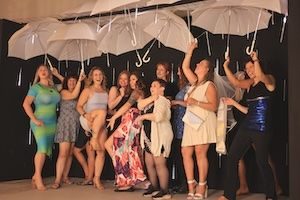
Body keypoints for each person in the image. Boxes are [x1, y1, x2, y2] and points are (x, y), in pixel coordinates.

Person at [218, 51, 277, 200]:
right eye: (247, 69)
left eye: (251, 68)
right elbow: (236, 84)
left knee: (261, 161)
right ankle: (228, 195)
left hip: (262, 128)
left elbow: (262, 76)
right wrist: (225, 66)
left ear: (258, 66)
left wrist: (255, 59)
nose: (249, 71)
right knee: (232, 157)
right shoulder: (250, 84)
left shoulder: (269, 80)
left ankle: (271, 196)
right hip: (247, 126)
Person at [181, 41, 218, 200]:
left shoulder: (209, 85)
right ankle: (191, 184)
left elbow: (214, 106)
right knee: (185, 151)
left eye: (201, 64)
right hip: (192, 122)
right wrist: (190, 51)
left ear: (207, 69)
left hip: (204, 121)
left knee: (200, 152)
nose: (197, 64)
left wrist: (195, 102)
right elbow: (185, 68)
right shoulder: (194, 83)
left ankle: (202, 185)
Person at [105, 71, 147, 191]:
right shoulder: (132, 92)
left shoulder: (137, 92)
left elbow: (127, 106)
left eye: (133, 79)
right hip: (127, 122)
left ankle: (128, 179)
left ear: (138, 80)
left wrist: (114, 117)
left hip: (131, 122)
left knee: (126, 150)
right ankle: (127, 177)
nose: (131, 82)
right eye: (130, 80)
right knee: (125, 150)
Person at [22, 65, 62, 191]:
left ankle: (35, 175)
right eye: (40, 70)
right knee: (42, 148)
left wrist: (57, 74)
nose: (43, 72)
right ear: (37, 74)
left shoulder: (54, 87)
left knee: (46, 149)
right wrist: (34, 119)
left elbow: (67, 84)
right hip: (39, 122)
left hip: (52, 123)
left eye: (45, 70)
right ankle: (38, 176)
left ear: (49, 72)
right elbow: (26, 104)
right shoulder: (35, 88)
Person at [137, 79, 173, 200]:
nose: (152, 88)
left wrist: (143, 116)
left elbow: (158, 117)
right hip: (149, 137)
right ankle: (154, 186)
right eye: (151, 86)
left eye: (155, 86)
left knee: (159, 164)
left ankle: (164, 190)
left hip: (160, 136)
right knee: (150, 163)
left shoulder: (163, 101)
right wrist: (153, 97)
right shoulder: (151, 101)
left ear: (162, 88)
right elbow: (140, 104)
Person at [51, 72, 85, 189]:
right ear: (66, 83)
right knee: (63, 153)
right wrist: (79, 80)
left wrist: (78, 81)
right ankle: (57, 180)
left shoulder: (79, 92)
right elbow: (73, 95)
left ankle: (65, 177)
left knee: (70, 154)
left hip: (74, 125)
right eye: (70, 81)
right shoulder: (64, 92)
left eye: (74, 81)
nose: (72, 83)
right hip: (65, 125)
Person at [76, 66, 108, 190]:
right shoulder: (87, 90)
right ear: (92, 77)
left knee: (101, 151)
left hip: (99, 125)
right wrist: (85, 114)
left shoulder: (106, 92)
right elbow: (78, 106)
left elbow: (108, 108)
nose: (98, 77)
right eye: (95, 75)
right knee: (101, 112)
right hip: (88, 120)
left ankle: (96, 178)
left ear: (103, 77)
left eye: (100, 74)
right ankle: (93, 138)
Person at [170, 66, 190, 193]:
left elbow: (189, 103)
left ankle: (186, 183)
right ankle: (182, 181)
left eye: (179, 70)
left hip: (184, 124)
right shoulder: (182, 87)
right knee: (178, 155)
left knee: (184, 155)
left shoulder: (189, 87)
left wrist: (176, 102)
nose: (177, 73)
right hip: (178, 123)